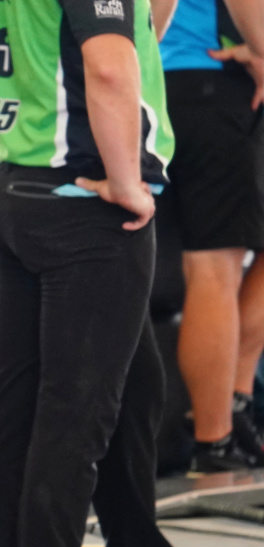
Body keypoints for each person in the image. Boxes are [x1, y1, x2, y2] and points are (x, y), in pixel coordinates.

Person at [0, 0, 241, 547]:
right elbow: (111, 68)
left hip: (17, 189)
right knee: (72, 421)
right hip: (84, 204)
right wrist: (128, 183)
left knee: (20, 410)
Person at [162, 0, 264, 472]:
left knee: (216, 264)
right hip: (207, 76)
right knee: (212, 267)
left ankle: (235, 400)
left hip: (186, 82)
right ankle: (213, 439)